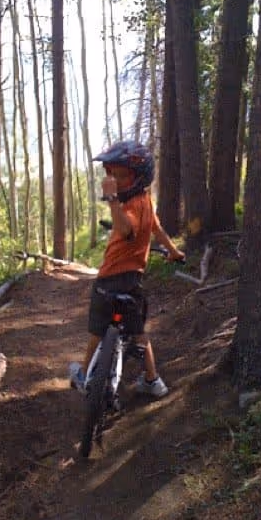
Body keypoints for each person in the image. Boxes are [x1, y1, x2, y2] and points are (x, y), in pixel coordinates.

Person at [69, 140, 185, 398]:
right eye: (113, 175)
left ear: (139, 177)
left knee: (97, 332)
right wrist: (173, 251)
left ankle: (84, 374)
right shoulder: (147, 202)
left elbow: (125, 229)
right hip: (133, 281)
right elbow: (157, 229)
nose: (116, 181)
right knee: (139, 333)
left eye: (122, 176)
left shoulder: (129, 206)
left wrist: (111, 199)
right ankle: (153, 380)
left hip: (108, 279)